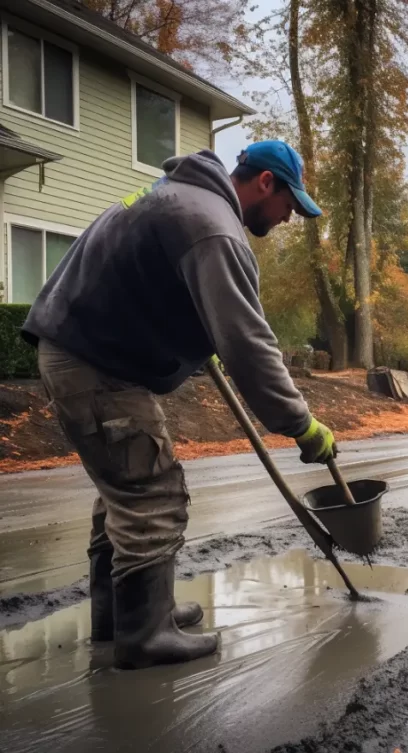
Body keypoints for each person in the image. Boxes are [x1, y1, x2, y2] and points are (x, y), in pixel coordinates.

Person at [22, 141, 337, 670]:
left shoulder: (177, 196)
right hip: (94, 364)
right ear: (265, 183)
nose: (288, 217)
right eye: (290, 204)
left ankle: (124, 616)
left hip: (89, 352)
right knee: (150, 491)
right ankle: (143, 636)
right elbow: (249, 346)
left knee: (124, 490)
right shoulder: (212, 226)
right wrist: (301, 425)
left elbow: (149, 281)